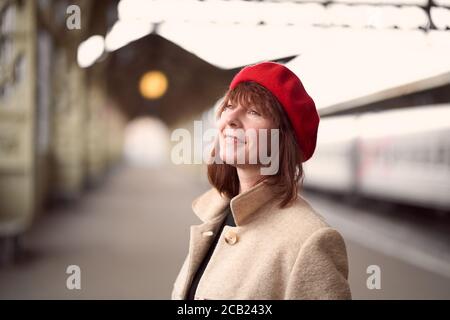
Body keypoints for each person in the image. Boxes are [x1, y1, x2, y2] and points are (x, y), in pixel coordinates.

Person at [171, 62, 352, 300]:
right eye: (229, 106)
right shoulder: (216, 215)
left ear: (283, 139)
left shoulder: (310, 242)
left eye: (254, 112)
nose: (232, 119)